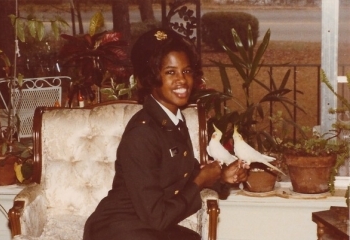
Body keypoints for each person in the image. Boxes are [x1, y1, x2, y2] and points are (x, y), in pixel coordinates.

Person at [83, 28, 249, 240]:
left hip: (144, 226)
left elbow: (182, 177)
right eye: (170, 72)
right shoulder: (142, 133)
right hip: (115, 229)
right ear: (151, 78)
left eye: (187, 71)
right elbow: (159, 216)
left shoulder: (175, 121)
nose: (182, 80)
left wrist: (223, 178)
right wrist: (199, 181)